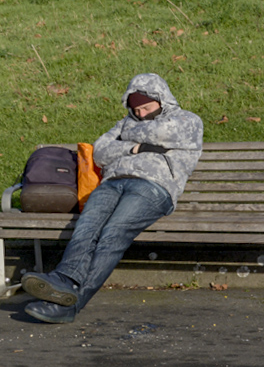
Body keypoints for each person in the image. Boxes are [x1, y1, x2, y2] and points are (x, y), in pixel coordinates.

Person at [21, 72, 204, 324]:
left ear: (162, 99)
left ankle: (72, 304)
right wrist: (135, 147)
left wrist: (125, 137)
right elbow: (100, 152)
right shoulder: (126, 122)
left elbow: (166, 132)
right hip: (112, 184)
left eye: (146, 107)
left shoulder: (187, 120)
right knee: (86, 229)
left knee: (113, 234)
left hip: (154, 187)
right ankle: (64, 280)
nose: (139, 115)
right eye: (135, 109)